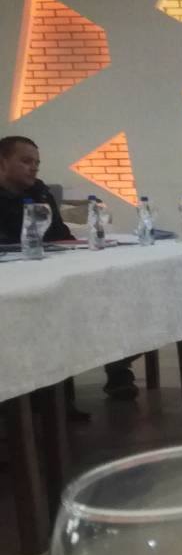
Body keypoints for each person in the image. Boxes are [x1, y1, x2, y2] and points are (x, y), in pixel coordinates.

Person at [0, 135, 140, 402]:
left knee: (114, 297)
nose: (34, 168)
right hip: (12, 280)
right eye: (26, 161)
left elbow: (59, 235)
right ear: (2, 162)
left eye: (37, 163)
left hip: (48, 269)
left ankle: (118, 364)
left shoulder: (40, 191)